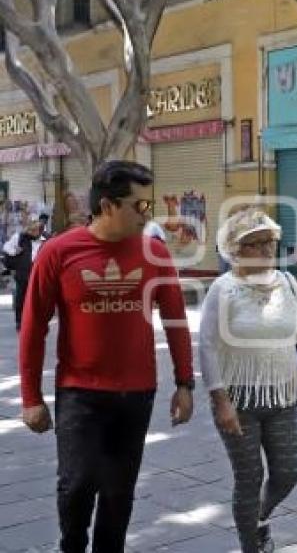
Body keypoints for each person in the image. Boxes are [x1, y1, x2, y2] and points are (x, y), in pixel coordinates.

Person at [18, 161, 194, 552]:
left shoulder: (155, 253)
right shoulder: (59, 251)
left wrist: (185, 383)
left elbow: (176, 321)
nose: (148, 215)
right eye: (141, 206)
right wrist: (30, 398)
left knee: (118, 493)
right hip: (80, 391)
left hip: (136, 393)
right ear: (110, 205)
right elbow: (32, 328)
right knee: (77, 484)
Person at [201, 209, 297, 553]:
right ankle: (251, 544)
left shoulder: (288, 283)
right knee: (249, 479)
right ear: (236, 249)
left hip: (282, 395)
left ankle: (256, 519)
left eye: (271, 241)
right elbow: (207, 346)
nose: (268, 249)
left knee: (288, 473)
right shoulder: (224, 289)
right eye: (257, 243)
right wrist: (220, 401)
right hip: (238, 399)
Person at [2, 215, 49, 331]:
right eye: (31, 229)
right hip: (23, 272)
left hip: (39, 273)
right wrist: (15, 251)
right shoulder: (19, 237)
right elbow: (6, 247)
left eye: (36, 229)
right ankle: (20, 322)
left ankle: (38, 322)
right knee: (21, 298)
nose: (34, 232)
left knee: (39, 299)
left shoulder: (46, 239)